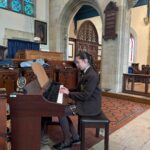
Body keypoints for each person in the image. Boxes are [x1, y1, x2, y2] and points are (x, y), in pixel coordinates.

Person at [53, 51, 101, 150]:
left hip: (89, 106)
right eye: (76, 63)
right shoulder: (86, 72)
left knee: (61, 111)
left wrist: (68, 93)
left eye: (78, 62)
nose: (77, 65)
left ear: (85, 61)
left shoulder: (92, 75)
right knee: (64, 110)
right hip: (86, 102)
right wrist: (67, 90)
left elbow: (85, 95)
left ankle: (67, 141)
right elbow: (79, 89)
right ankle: (75, 137)